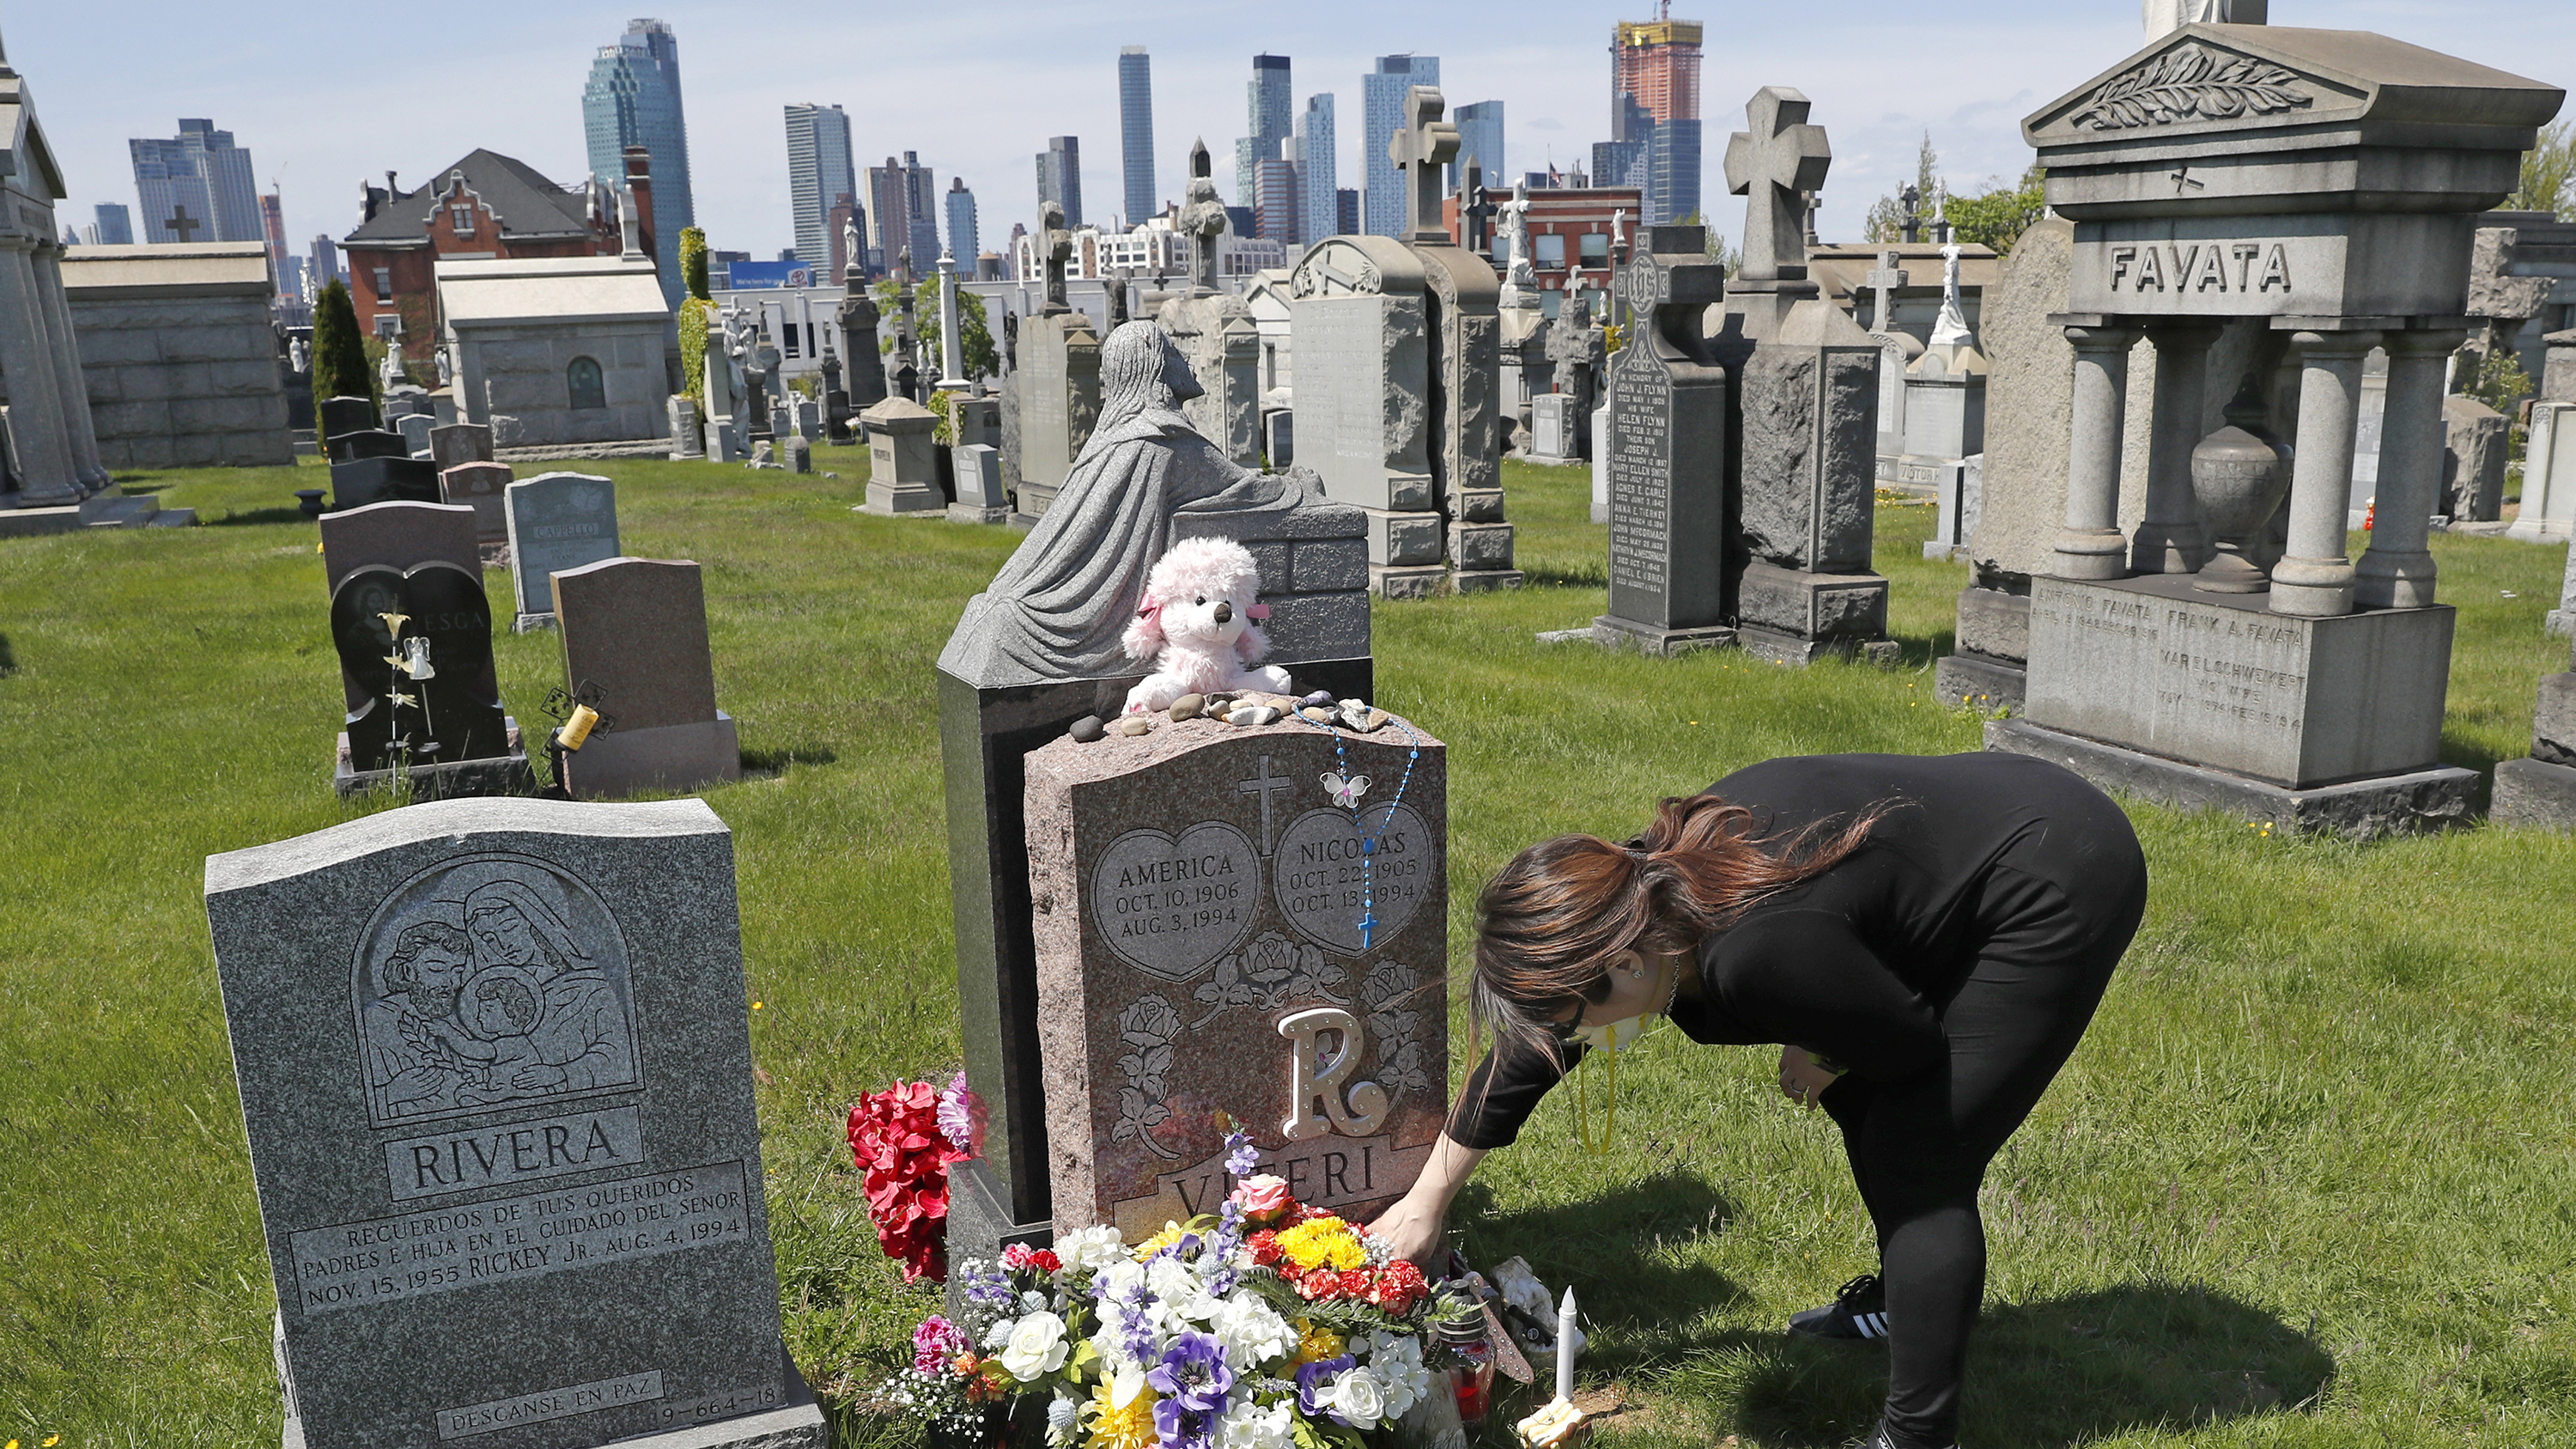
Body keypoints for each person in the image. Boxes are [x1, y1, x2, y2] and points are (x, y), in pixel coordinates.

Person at [1367, 752, 2149, 1449]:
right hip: (1977, 831)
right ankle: (1907, 1302)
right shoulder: (1632, 893)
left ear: (1633, 967)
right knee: (1867, 1106)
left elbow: (1911, 1047)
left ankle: (1918, 1433)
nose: (1567, 1039)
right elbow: (1531, 1052)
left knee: (1915, 1152)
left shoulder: (1751, 956)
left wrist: (1828, 1042)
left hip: (2055, 871)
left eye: (1571, 1018)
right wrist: (1430, 1198)